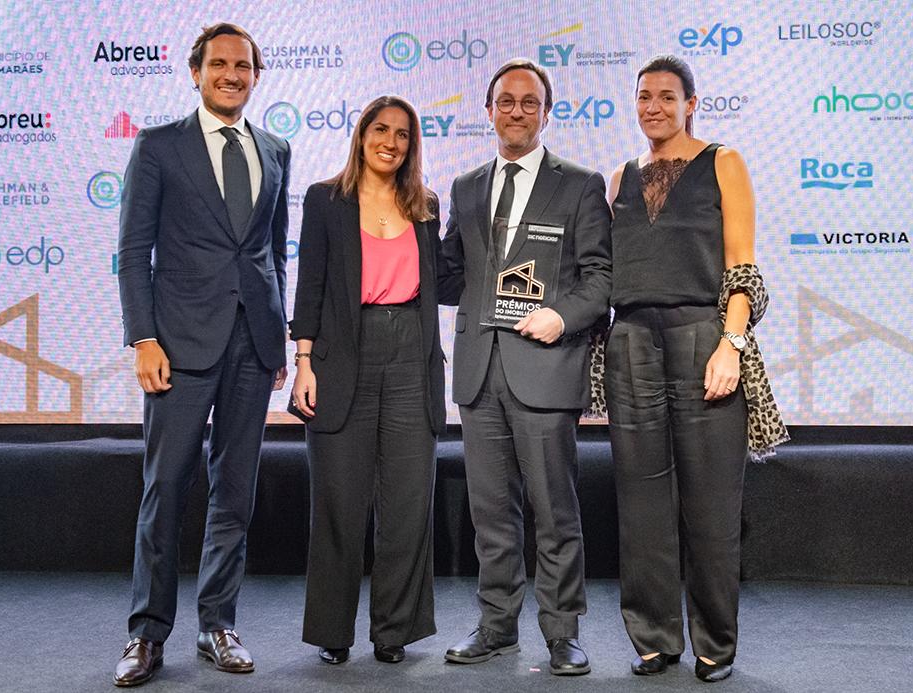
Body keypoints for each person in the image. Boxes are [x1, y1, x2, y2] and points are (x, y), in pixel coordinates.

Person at [113, 22, 291, 687]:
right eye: (219, 64)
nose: (232, 74)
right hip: (178, 344)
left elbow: (273, 251)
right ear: (196, 72)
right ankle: (146, 633)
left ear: (255, 74)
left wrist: (275, 335)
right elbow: (134, 252)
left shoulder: (275, 149)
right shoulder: (160, 147)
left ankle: (218, 622)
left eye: (243, 65)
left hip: (252, 344)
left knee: (234, 492)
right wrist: (143, 338)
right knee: (165, 489)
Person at [605, 54, 787, 683]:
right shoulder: (619, 176)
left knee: (711, 506)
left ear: (690, 104)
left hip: (702, 337)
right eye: (644, 96)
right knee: (641, 505)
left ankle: (715, 645)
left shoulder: (723, 162)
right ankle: (655, 639)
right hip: (629, 343)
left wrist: (730, 345)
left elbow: (742, 266)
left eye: (666, 96)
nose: (653, 106)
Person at [440, 58, 612, 677]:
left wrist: (562, 317)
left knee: (554, 511)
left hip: (545, 365)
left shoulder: (580, 183)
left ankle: (562, 633)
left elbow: (601, 278)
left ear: (546, 111)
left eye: (529, 102)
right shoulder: (464, 186)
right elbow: (450, 274)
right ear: (489, 111)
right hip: (479, 372)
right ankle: (496, 626)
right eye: (506, 101)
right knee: (491, 512)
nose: (516, 111)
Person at [288, 95, 446, 667]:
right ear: (361, 136)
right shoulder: (326, 200)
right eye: (381, 130)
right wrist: (304, 361)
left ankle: (393, 631)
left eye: (403, 134)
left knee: (407, 503)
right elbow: (310, 286)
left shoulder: (425, 204)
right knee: (339, 501)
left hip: (411, 359)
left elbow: (441, 281)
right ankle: (333, 629)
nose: (391, 142)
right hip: (341, 358)